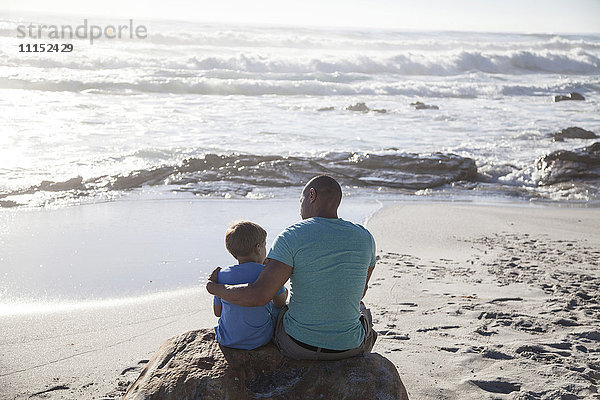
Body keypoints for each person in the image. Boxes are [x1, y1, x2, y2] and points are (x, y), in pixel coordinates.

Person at [207, 175, 377, 360]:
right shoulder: (365, 237)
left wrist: (214, 288)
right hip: (349, 347)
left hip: (297, 345)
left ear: (312, 195)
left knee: (280, 312)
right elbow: (360, 292)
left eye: (301, 200)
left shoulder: (291, 236)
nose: (300, 208)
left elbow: (259, 296)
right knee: (362, 310)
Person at [212, 221, 288, 350]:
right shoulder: (267, 273)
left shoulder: (221, 275)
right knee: (281, 308)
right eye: (265, 245)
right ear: (258, 248)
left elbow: (217, 312)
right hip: (260, 339)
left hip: (226, 339)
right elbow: (280, 302)